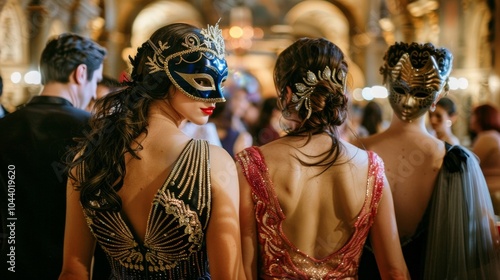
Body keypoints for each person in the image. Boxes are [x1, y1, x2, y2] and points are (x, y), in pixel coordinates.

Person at [58, 22, 245, 279]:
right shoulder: (215, 162)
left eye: (221, 82)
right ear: (164, 78)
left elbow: (73, 271)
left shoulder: (88, 159)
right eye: (202, 80)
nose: (217, 96)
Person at [235, 37, 409, 279]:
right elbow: (394, 271)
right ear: (339, 95)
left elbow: (243, 270)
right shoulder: (371, 169)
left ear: (286, 95)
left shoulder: (252, 165)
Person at [357, 42, 500, 279]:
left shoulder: (355, 151)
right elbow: (482, 241)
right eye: (401, 89)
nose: (409, 101)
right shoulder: (457, 160)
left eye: (420, 93)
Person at [0, 33, 106, 280]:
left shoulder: (5, 126)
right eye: (95, 81)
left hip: (10, 264)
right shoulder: (94, 131)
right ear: (81, 73)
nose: (92, 93)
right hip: (70, 266)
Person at [470, 103, 500, 215]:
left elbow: (470, 165)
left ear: (481, 117)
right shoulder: (494, 135)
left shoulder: (486, 137)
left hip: (492, 193)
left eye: (473, 115)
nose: (471, 119)